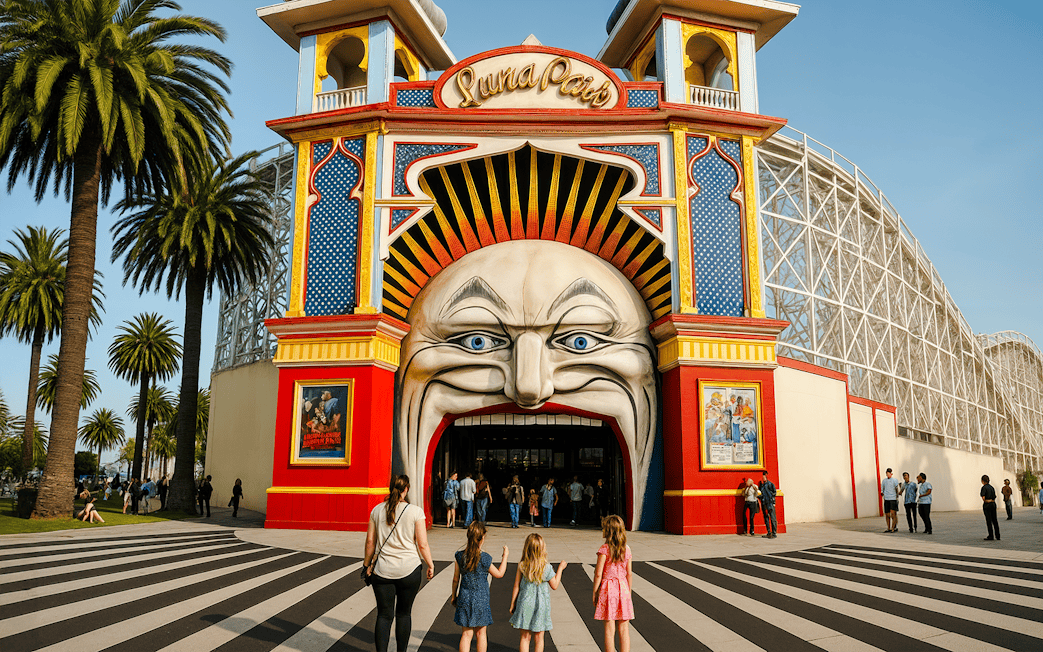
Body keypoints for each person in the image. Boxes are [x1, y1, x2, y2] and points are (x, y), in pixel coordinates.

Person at [364, 475, 435, 652]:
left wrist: (367, 565)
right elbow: (422, 544)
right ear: (406, 490)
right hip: (409, 569)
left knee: (384, 615)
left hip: (382, 571)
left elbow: (370, 542)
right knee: (404, 614)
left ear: (390, 489)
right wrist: (430, 564)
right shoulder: (416, 511)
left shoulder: (377, 510)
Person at [452, 522, 508, 652]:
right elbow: (499, 574)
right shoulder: (485, 558)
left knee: (466, 634)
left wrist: (454, 595)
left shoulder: (460, 556)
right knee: (481, 634)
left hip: (464, 596)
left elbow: (455, 579)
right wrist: (505, 556)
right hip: (481, 598)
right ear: (482, 538)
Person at [510, 533, 567, 651]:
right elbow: (555, 585)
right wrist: (560, 568)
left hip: (524, 603)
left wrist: (512, 604)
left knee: (525, 638)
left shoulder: (522, 565)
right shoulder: (546, 567)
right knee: (539, 638)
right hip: (541, 605)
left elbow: (516, 586)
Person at [592, 515, 634, 652]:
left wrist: (595, 592)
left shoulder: (604, 549)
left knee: (609, 630)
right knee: (624, 629)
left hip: (608, 589)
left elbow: (598, 573)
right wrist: (629, 592)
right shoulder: (626, 549)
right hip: (623, 587)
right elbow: (629, 573)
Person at [758, 471, 778, 538]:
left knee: (773, 518)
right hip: (764, 504)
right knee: (766, 518)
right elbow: (761, 494)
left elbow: (774, 493)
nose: (763, 478)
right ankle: (769, 532)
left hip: (770, 503)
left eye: (764, 476)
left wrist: (771, 499)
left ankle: (774, 533)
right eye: (762, 476)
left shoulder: (770, 484)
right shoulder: (761, 486)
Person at [981, 475, 1000, 541]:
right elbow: (994, 496)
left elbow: (983, 498)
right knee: (995, 520)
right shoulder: (992, 487)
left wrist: (987, 500)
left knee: (989, 521)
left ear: (982, 481)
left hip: (987, 505)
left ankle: (991, 535)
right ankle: (998, 535)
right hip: (993, 504)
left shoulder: (984, 488)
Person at [880, 468, 900, 533]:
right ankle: (888, 527)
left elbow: (897, 488)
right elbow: (882, 488)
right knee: (887, 514)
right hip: (887, 499)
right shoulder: (884, 481)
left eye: (889, 473)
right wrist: (882, 493)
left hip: (893, 498)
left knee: (893, 514)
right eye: (887, 473)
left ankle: (893, 527)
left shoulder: (894, 480)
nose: (888, 474)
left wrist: (897, 496)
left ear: (891, 473)